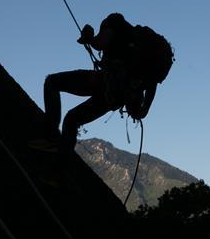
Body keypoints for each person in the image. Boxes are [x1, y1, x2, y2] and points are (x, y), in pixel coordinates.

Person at [30, 13, 169, 159]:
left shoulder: (114, 22)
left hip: (102, 82)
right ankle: (63, 160)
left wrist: (89, 36)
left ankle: (50, 137)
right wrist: (144, 108)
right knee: (72, 119)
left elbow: (99, 43)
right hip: (114, 99)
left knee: (52, 82)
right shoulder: (141, 48)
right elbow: (152, 83)